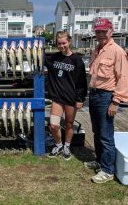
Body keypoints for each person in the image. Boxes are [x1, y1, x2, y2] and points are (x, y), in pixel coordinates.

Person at [84, 19, 128, 184]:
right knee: (96, 132)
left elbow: (123, 78)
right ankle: (100, 160)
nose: (100, 34)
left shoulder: (117, 51)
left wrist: (116, 102)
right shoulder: (97, 49)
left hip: (106, 96)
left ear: (111, 31)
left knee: (106, 135)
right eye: (98, 32)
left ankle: (108, 170)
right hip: (94, 95)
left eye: (104, 31)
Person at [46, 31, 87, 160]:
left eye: (64, 43)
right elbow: (38, 57)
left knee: (69, 124)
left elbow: (81, 81)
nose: (61, 46)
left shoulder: (77, 59)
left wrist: (80, 99)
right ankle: (58, 144)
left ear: (69, 41)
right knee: (53, 125)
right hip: (57, 97)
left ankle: (67, 146)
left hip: (71, 98)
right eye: (59, 44)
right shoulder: (53, 58)